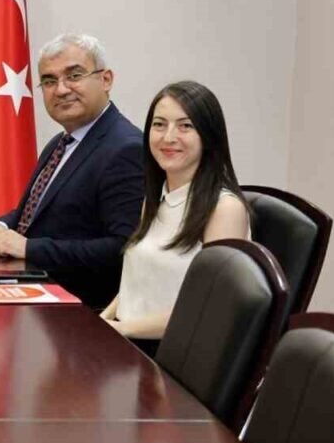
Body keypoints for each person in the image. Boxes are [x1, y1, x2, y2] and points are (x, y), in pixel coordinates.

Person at [0, 33, 144, 307]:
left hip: (79, 311)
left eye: (74, 76)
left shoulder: (126, 148)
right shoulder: (61, 142)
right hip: (31, 291)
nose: (61, 90)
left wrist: (28, 247)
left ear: (106, 80)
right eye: (49, 81)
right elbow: (33, 215)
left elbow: (121, 250)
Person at [101, 81, 250, 347]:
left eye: (185, 126)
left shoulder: (224, 209)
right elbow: (137, 283)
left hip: (176, 353)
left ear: (209, 136)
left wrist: (122, 329)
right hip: (130, 339)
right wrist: (103, 320)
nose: (169, 137)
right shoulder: (155, 198)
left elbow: (211, 307)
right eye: (159, 124)